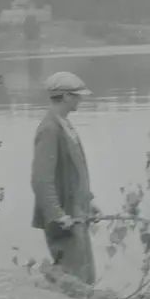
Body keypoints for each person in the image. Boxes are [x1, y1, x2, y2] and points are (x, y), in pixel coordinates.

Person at [31, 71, 98, 284]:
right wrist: (57, 215)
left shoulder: (64, 125)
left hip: (76, 212)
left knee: (85, 273)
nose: (81, 100)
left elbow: (74, 173)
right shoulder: (50, 129)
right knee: (73, 275)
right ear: (67, 97)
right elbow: (41, 179)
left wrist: (88, 203)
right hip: (64, 220)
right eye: (78, 96)